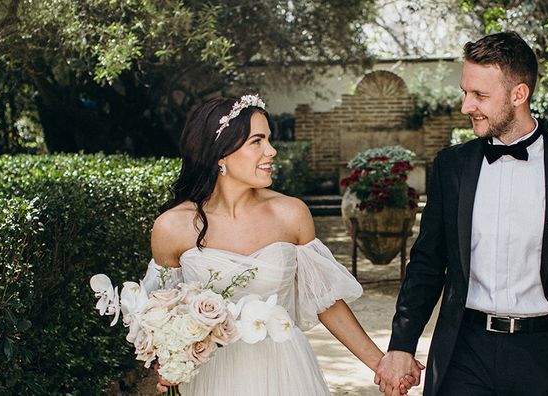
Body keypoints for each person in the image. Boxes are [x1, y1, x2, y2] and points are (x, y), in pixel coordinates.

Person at [375, 32, 548, 396]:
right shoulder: (451, 167)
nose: (466, 106)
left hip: (544, 354)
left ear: (518, 95)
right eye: (465, 92)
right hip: (464, 351)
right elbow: (427, 262)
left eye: (479, 95)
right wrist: (401, 344)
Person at [148, 94, 420, 395]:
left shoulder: (291, 214)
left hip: (286, 371)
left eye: (269, 139)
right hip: (213, 376)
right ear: (220, 155)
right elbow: (161, 316)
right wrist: (167, 364)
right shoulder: (172, 227)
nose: (272, 151)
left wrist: (381, 365)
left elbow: (326, 302)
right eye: (257, 141)